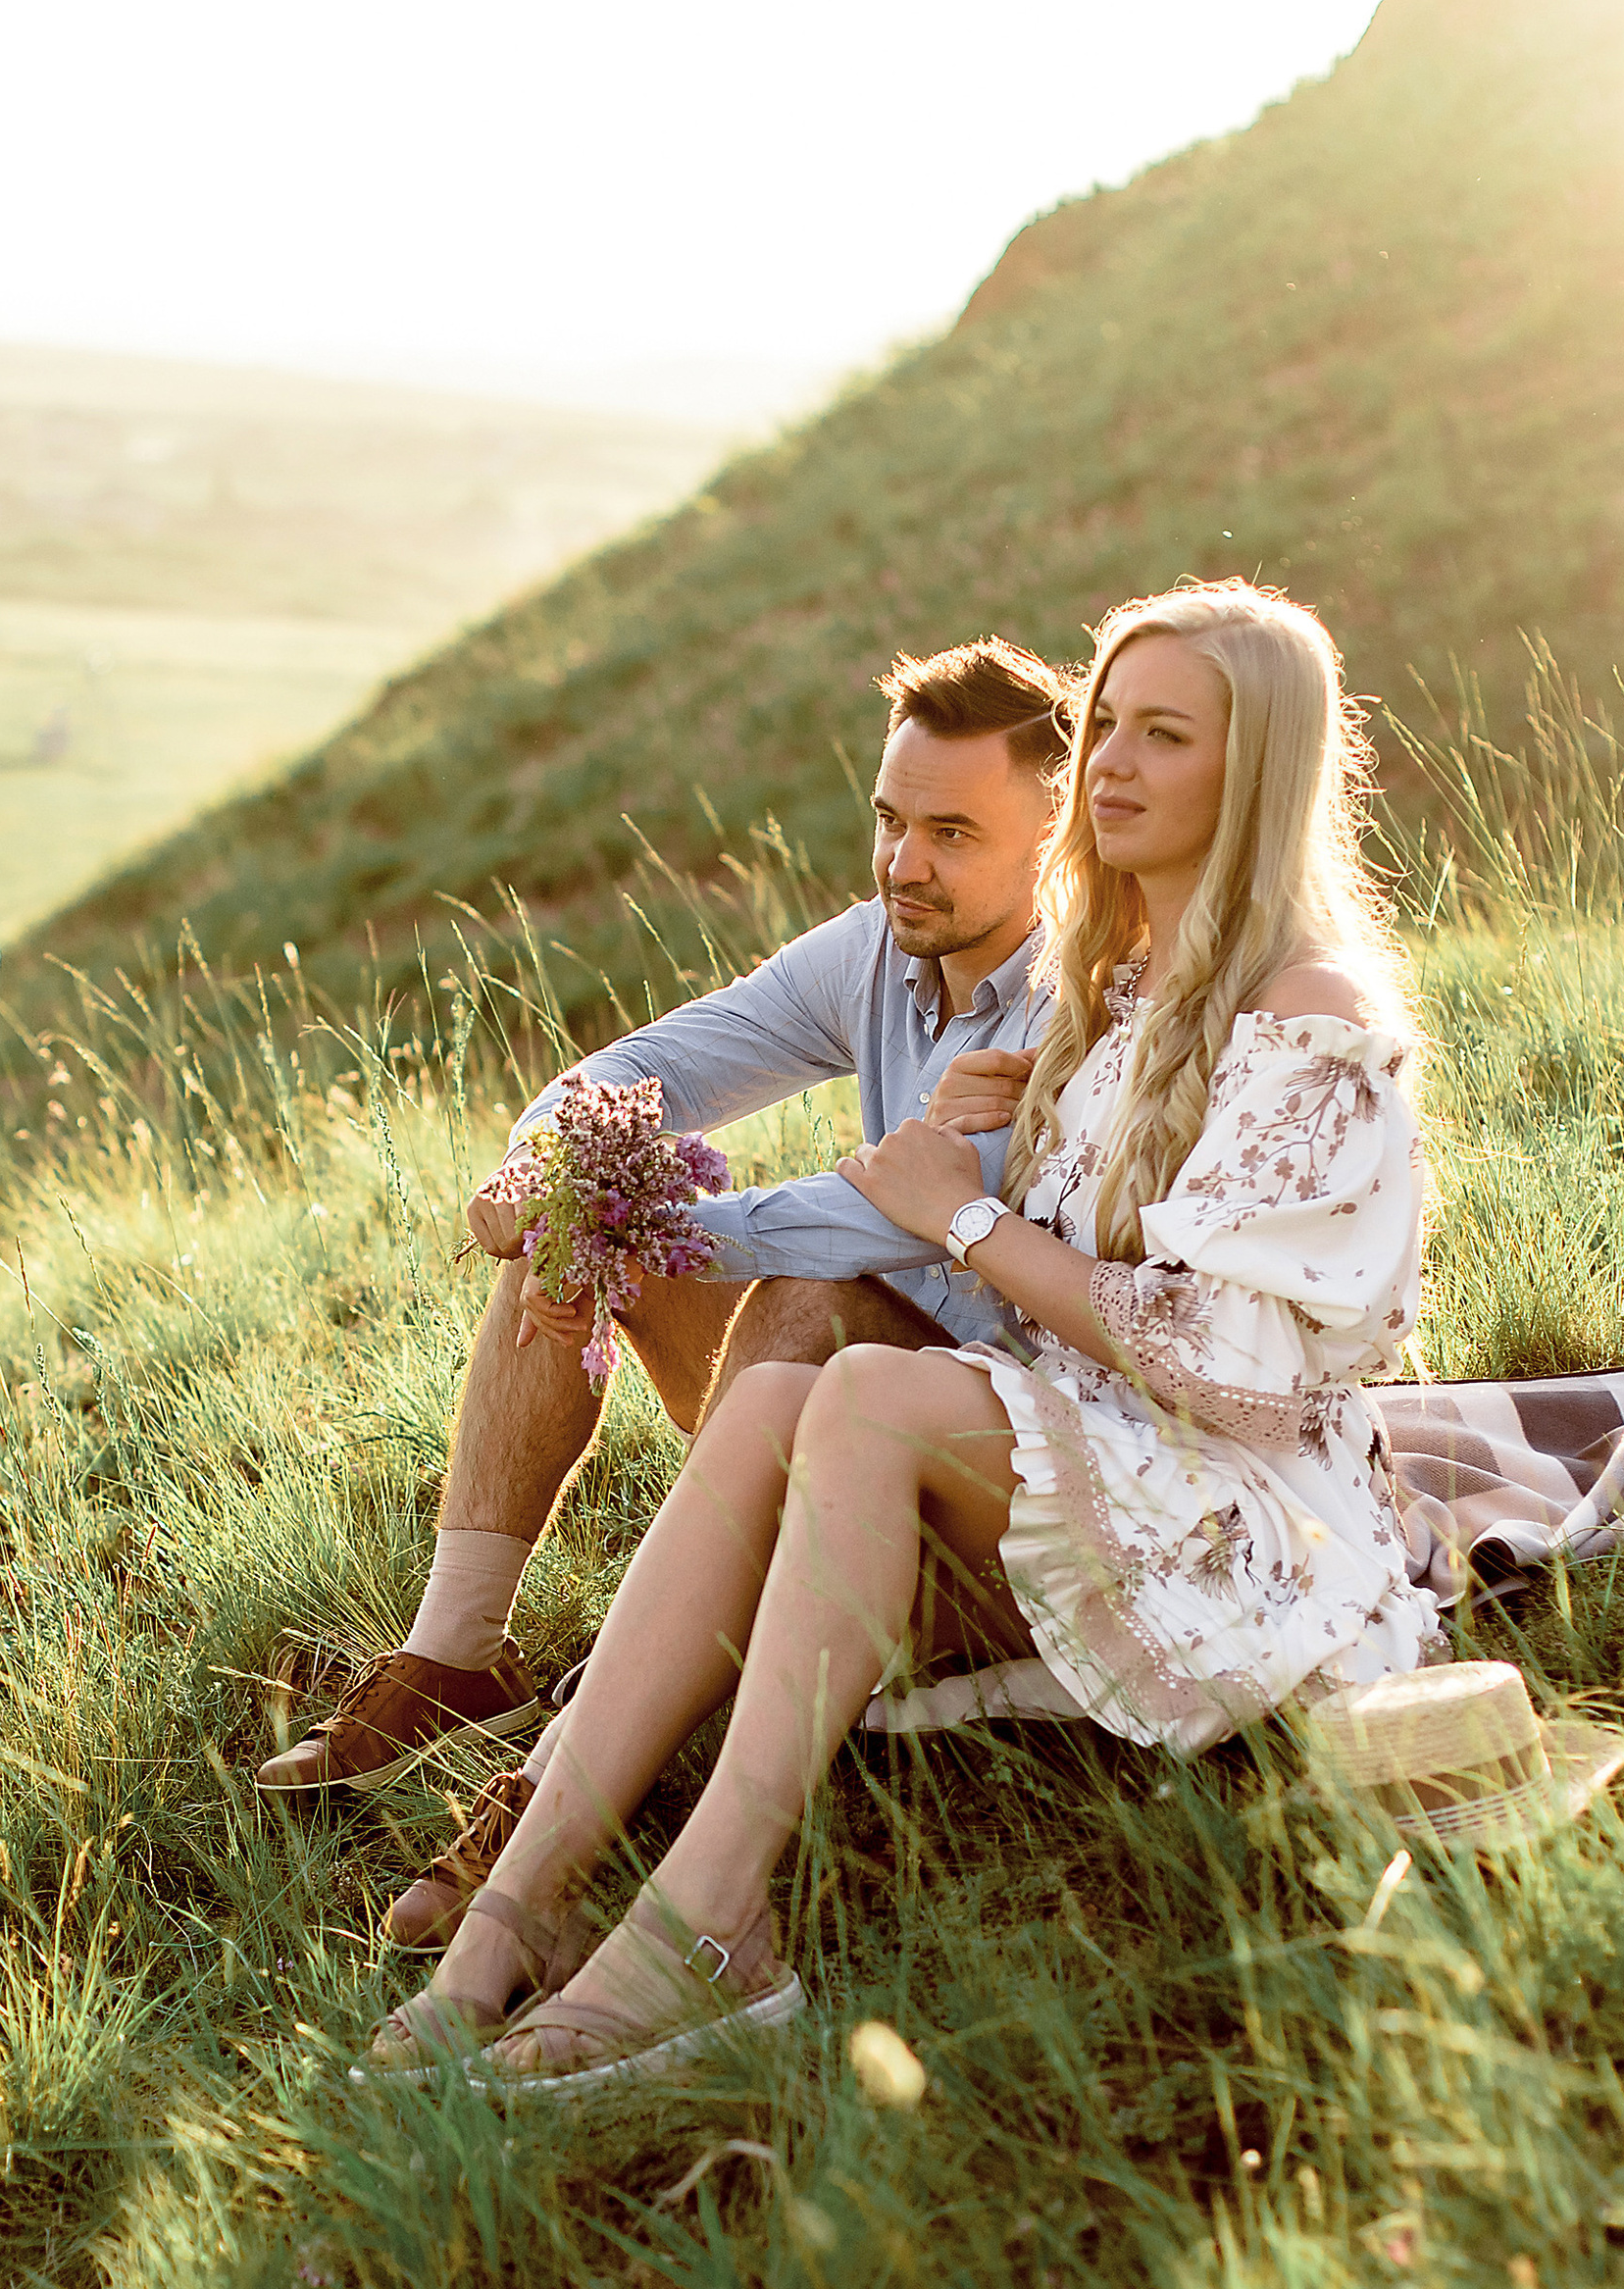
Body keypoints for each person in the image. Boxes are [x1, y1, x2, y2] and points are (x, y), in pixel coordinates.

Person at [362, 579, 1443, 2089]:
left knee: (858, 1386)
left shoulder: (1306, 1013)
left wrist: (966, 1215)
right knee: (769, 1408)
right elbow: (801, 1142)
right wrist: (617, 1211)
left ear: (1253, 767)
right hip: (1068, 1455)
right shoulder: (1110, 997)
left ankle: (709, 1930)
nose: (1115, 764)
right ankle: (508, 1916)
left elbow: (1234, 1374)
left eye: (1165, 737)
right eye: (1111, 724)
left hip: (1237, 1504)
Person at [255, 640, 1074, 1868]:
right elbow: (641, 1071)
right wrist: (549, 1173)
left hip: (992, 1477)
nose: (905, 862)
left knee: (796, 1284)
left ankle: (560, 1769)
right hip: (814, 1431)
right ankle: (454, 1653)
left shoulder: (1084, 996)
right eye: (889, 819)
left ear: (1054, 840)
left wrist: (638, 1218)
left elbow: (885, 1220)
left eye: (952, 833)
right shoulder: (876, 946)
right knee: (586, 1203)